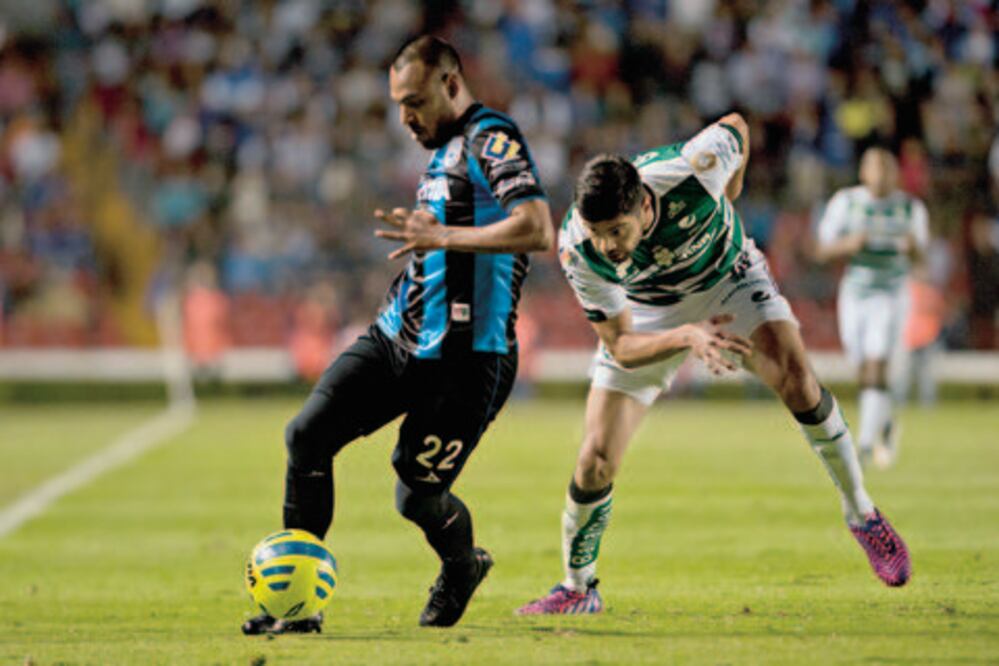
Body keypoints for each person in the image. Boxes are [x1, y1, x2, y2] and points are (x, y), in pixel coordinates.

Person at [516, 114, 911, 616]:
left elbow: (737, 126)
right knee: (595, 458)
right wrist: (685, 335)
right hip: (651, 313)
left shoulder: (694, 170)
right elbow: (620, 345)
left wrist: (733, 184)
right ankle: (577, 588)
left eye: (616, 231)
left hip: (730, 280)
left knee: (798, 381)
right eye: (599, 234)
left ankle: (862, 514)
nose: (609, 247)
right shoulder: (576, 248)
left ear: (643, 204)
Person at [242, 36, 554, 634]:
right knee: (306, 437)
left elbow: (537, 227)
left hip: (468, 361)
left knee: (414, 498)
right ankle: (298, 608)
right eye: (398, 104)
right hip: (397, 337)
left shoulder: (492, 140)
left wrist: (446, 239)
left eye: (414, 102)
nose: (405, 118)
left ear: (451, 85)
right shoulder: (440, 152)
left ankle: (463, 565)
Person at [814, 148, 929, 468]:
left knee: (877, 363)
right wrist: (847, 244)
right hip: (854, 294)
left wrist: (913, 248)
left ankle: (863, 446)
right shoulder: (847, 202)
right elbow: (821, 249)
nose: (881, 175)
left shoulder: (910, 208)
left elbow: (923, 260)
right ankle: (886, 422)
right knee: (862, 367)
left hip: (891, 295)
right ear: (863, 173)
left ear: (896, 174)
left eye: (887, 168)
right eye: (874, 168)